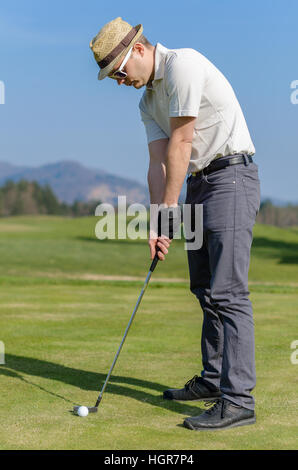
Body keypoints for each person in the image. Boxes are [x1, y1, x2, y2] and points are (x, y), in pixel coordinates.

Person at [89, 17, 261, 431]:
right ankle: (212, 380)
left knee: (228, 292)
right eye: (113, 76)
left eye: (119, 71)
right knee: (204, 288)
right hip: (200, 185)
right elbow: (157, 163)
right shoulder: (148, 102)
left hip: (230, 177)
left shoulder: (183, 64)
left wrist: (169, 213)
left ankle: (238, 400)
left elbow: (183, 143)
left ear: (141, 50)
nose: (119, 81)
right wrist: (158, 220)